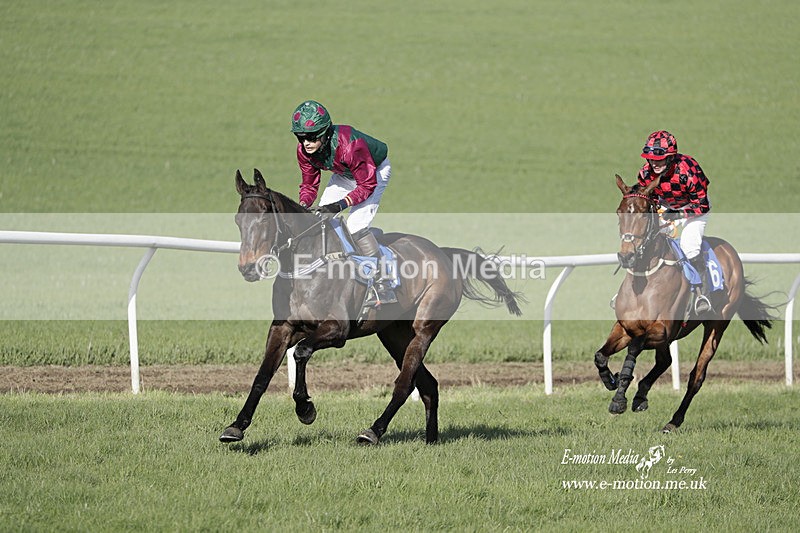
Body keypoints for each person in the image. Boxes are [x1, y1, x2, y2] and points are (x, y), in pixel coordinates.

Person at [291, 99, 395, 303]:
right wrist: (303, 205)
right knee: (320, 218)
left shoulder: (350, 146)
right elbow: (309, 184)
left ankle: (383, 280)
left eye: (311, 137)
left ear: (324, 133)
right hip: (344, 173)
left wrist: (340, 205)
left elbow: (367, 185)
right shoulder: (304, 151)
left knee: (356, 226)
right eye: (300, 137)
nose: (306, 143)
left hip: (374, 172)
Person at [637, 130, 712, 314]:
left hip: (693, 208)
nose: (654, 163)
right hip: (666, 207)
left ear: (670, 157)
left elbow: (702, 206)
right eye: (651, 159)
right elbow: (648, 199)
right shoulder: (645, 173)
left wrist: (678, 215)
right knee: (645, 242)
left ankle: (702, 294)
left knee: (689, 247)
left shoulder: (689, 170)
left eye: (659, 159)